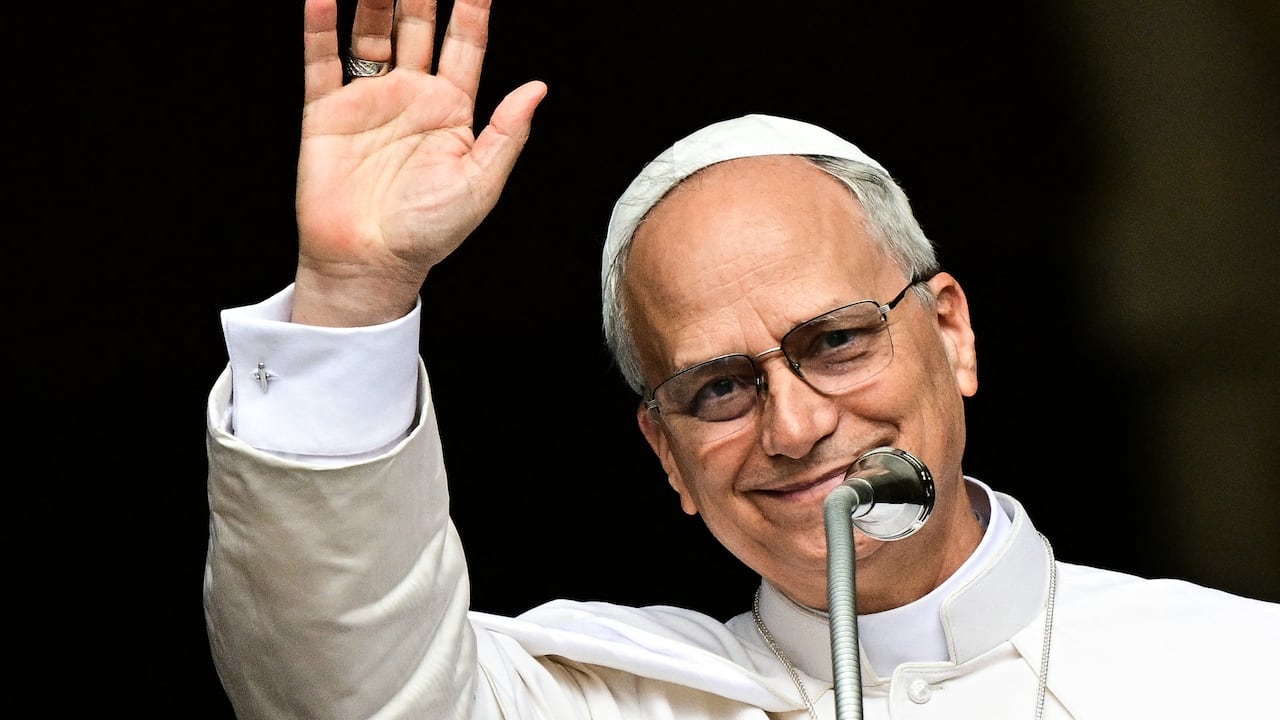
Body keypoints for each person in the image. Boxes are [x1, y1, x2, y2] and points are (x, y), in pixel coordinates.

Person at [203, 1, 1279, 718]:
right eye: (718, 387)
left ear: (948, 332)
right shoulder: (611, 701)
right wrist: (351, 295)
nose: (797, 426)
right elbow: (335, 689)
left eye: (837, 341)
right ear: (665, 456)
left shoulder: (1236, 672)